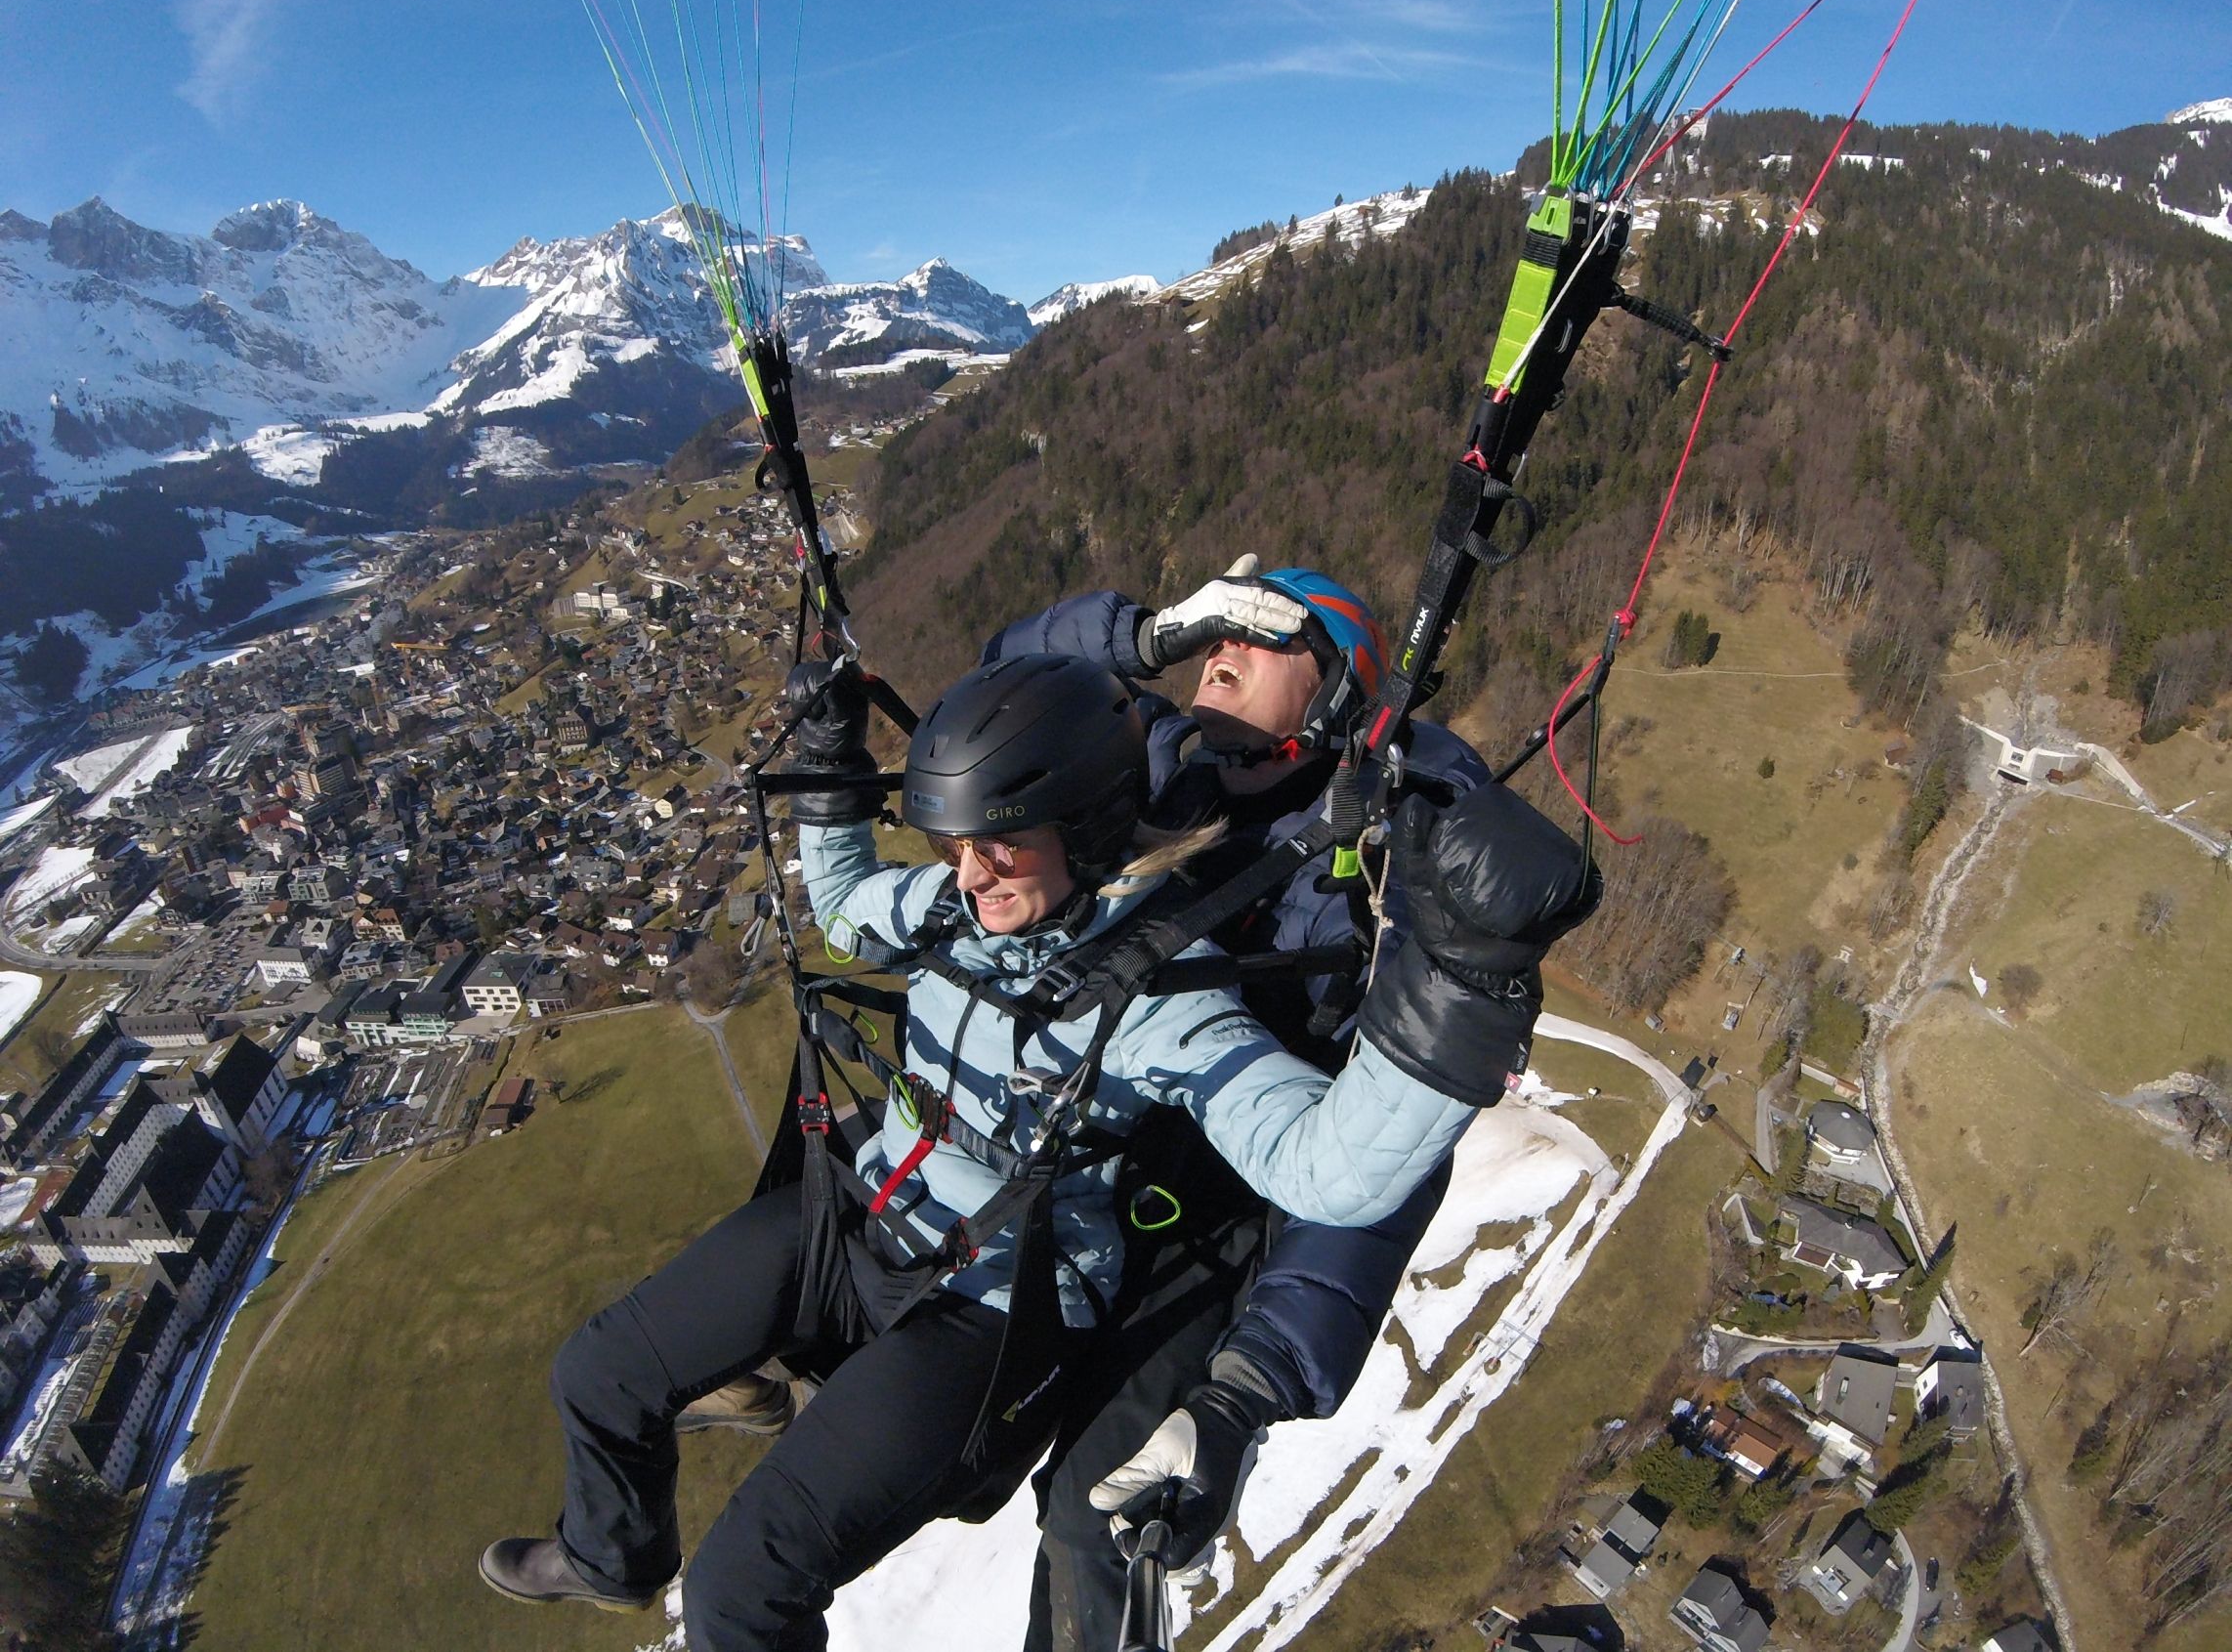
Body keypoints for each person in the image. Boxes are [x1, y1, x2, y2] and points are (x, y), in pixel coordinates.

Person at [478, 651, 1581, 1652]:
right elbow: (851, 912)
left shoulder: (1158, 1001)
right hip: (865, 1210)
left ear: (1087, 829)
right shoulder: (957, 908)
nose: (970, 874)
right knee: (598, 1374)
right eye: (956, 846)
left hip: (993, 1309)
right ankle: (613, 1555)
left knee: (739, 1594)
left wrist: (1468, 983)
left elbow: (1324, 1169)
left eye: (999, 845)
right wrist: (831, 767)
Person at [981, 560, 1596, 1649]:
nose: (1225, 645)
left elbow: (1377, 1155)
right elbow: (1003, 688)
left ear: (1337, 688)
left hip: (1218, 1213)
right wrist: (1143, 637)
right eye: (1218, 626)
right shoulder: (1160, 764)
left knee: (1091, 1514)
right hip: (1084, 1165)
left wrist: (1246, 1388)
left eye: (1269, 632)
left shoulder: (1381, 863)